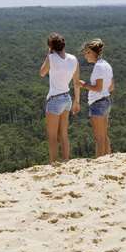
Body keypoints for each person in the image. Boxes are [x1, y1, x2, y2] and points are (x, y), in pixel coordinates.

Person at [40, 33, 80, 163]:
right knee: (63, 134)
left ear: (51, 47)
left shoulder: (51, 57)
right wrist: (77, 101)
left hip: (54, 99)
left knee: (52, 137)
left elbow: (42, 72)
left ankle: (54, 163)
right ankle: (66, 160)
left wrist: (49, 54)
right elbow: (76, 82)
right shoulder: (74, 59)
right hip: (67, 98)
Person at [78, 38, 114, 158]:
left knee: (99, 138)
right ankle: (108, 159)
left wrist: (84, 85)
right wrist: (102, 92)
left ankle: (99, 162)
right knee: (104, 136)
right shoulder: (107, 65)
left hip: (97, 104)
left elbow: (98, 88)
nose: (85, 56)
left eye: (86, 53)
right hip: (106, 101)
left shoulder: (98, 67)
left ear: (91, 53)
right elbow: (111, 87)